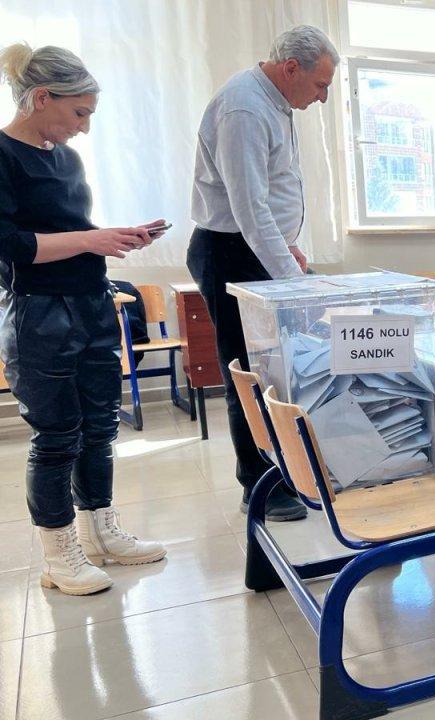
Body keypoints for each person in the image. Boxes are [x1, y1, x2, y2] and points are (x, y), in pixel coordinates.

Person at [0, 42, 167, 596]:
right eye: (79, 113)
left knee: (100, 426)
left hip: (91, 301)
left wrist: (113, 237)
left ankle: (101, 532)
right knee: (57, 436)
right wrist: (91, 240)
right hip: (38, 313)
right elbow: (13, 246)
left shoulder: (67, 160)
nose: (84, 127)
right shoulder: (3, 155)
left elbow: (70, 230)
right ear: (40, 98)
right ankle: (59, 554)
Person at [187, 26, 338, 522]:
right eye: (320, 85)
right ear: (291, 68)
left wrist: (290, 251)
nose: (323, 97)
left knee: (282, 369)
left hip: (257, 250)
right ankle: (259, 484)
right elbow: (250, 209)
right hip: (230, 253)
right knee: (249, 372)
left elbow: (273, 192)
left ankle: (288, 470)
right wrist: (294, 283)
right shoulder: (245, 109)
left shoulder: (274, 101)